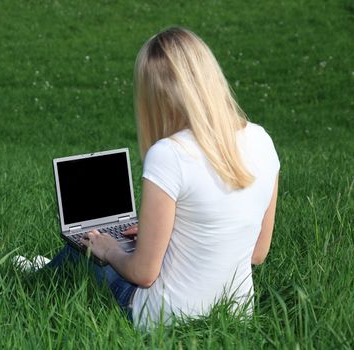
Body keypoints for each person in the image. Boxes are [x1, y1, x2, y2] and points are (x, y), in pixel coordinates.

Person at [17, 26, 279, 329]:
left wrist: (109, 249)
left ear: (156, 95)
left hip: (163, 317)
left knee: (86, 245)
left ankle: (38, 275)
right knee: (101, 243)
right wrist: (169, 231)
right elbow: (257, 253)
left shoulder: (170, 153)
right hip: (235, 312)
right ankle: (43, 268)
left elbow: (144, 273)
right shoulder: (261, 139)